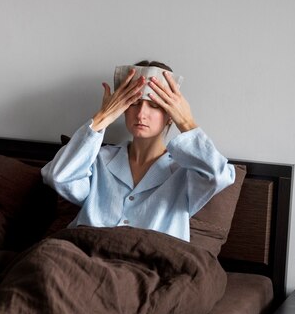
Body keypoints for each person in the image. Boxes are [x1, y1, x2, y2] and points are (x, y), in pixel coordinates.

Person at [41, 61, 235, 242]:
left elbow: (218, 176)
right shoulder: (99, 159)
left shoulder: (186, 172)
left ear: (170, 115)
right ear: (123, 108)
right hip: (85, 256)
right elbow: (59, 177)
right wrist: (103, 117)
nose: (141, 114)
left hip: (149, 264)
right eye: (134, 103)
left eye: (155, 105)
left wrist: (186, 122)